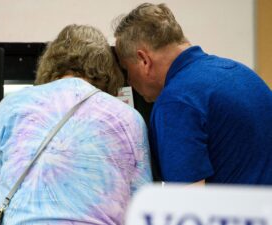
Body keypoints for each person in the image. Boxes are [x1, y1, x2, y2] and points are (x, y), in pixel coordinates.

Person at [0, 24, 152, 225]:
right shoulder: (129, 118)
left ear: (51, 61)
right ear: (107, 68)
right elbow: (141, 201)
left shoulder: (11, 106)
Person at [113, 3, 272, 185]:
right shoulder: (242, 73)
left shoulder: (176, 101)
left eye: (126, 70)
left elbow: (188, 203)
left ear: (143, 60)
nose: (129, 82)